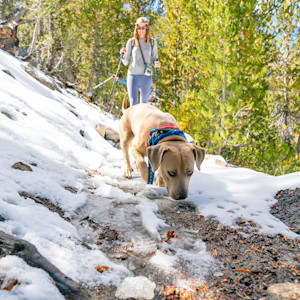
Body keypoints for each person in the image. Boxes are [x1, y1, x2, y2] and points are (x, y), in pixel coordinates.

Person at [120, 17, 161, 107]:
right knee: (133, 105)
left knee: (144, 106)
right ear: (136, 28)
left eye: (143, 28)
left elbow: (155, 59)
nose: (141, 30)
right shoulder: (131, 42)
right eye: (139, 28)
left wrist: (157, 64)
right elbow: (126, 62)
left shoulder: (152, 42)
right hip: (132, 76)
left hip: (146, 77)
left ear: (147, 28)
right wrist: (122, 55)